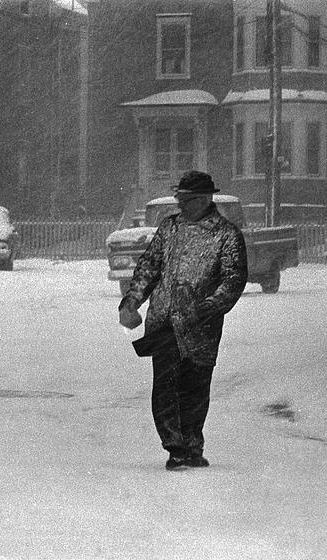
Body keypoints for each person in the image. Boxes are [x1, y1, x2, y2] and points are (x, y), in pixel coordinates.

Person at [118, 170, 248, 471]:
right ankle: (175, 447)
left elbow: (233, 280)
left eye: (185, 200)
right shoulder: (169, 228)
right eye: (179, 199)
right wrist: (132, 300)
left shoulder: (226, 235)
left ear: (204, 200)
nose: (180, 205)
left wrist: (207, 309)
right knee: (165, 386)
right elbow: (148, 267)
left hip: (202, 326)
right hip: (164, 321)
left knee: (196, 388)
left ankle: (192, 445)